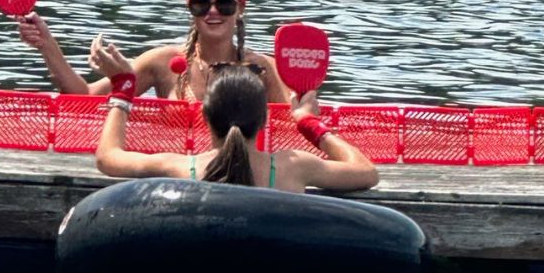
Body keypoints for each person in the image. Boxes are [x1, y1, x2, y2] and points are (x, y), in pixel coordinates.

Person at [92, 54, 378, 194]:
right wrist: (308, 123)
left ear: (205, 118)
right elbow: (366, 172)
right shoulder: (294, 166)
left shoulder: (181, 168)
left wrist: (123, 92)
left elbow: (108, 158)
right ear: (265, 120)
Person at [18, 0, 291, 103]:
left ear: (240, 9)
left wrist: (303, 85)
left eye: (224, 3)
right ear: (190, 9)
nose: (213, 11)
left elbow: (295, 123)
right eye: (201, 3)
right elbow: (85, 98)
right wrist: (47, 45)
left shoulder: (263, 68)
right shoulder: (161, 62)